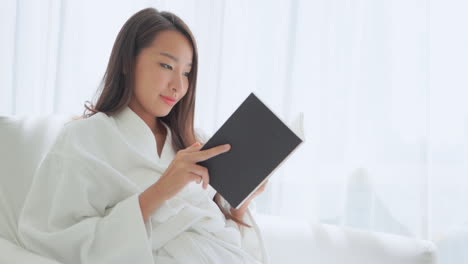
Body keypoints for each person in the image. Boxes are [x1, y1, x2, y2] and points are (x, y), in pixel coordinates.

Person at [17, 7, 269, 264]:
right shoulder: (84, 138)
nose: (178, 86)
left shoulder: (194, 141)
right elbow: (56, 237)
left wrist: (238, 210)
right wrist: (162, 189)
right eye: (167, 65)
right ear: (128, 62)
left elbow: (225, 237)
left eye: (186, 73)